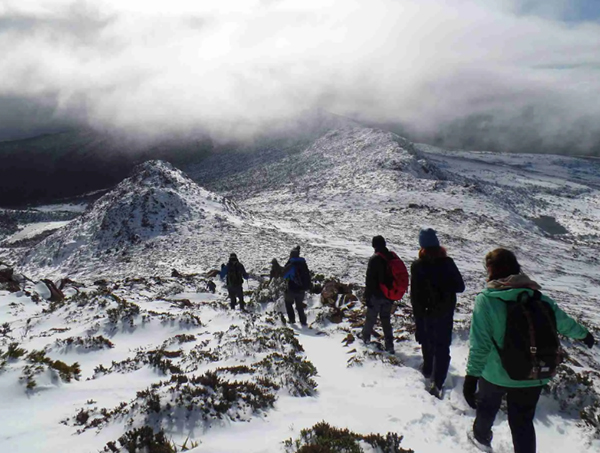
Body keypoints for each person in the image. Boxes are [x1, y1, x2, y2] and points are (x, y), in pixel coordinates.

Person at [464, 248, 595, 453]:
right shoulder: (540, 299)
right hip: (533, 372)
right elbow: (565, 324)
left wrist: (471, 377)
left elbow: (480, 345)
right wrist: (585, 335)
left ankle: (481, 439)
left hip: (495, 375)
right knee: (522, 423)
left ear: (491, 270)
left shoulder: (487, 300)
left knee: (487, 408)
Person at [411, 228, 464, 399]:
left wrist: (418, 317)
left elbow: (415, 295)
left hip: (425, 312)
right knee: (442, 346)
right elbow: (460, 287)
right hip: (445, 312)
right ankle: (438, 382)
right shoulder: (447, 262)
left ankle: (427, 369)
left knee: (427, 341)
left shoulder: (418, 265)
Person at [362, 235, 408, 354]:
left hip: (376, 295)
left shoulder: (375, 259)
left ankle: (365, 339)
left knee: (371, 318)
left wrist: (367, 296)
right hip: (389, 294)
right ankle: (389, 345)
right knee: (385, 320)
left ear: (374, 245)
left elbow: (370, 281)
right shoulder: (391, 256)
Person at [282, 246, 311, 325]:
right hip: (302, 289)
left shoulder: (291, 265)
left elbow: (284, 275)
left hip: (292, 288)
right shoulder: (303, 264)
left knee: (288, 303)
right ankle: (303, 321)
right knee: (299, 306)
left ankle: (292, 320)